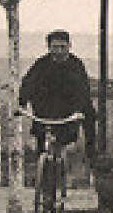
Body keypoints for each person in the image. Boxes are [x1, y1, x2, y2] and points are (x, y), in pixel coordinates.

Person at [17, 30, 99, 168]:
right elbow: (28, 83)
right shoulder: (41, 64)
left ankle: (92, 157)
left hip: (69, 109)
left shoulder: (76, 65)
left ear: (69, 46)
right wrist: (22, 103)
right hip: (45, 109)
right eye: (55, 47)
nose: (59, 51)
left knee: (90, 114)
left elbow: (82, 90)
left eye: (63, 47)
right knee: (41, 140)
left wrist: (79, 110)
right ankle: (42, 172)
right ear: (49, 47)